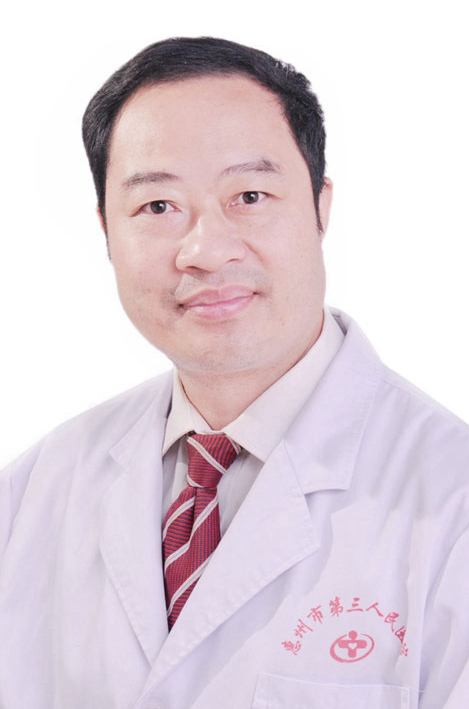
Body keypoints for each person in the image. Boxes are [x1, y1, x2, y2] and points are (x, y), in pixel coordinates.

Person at [0, 36, 468, 709]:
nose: (206, 249)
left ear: (320, 207)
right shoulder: (33, 493)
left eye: (249, 194)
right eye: (157, 207)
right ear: (106, 231)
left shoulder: (451, 502)